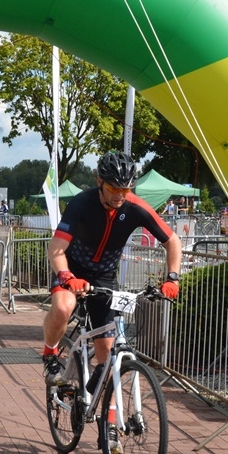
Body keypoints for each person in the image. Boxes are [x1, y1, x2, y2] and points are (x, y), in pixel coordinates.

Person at [43, 151, 182, 390]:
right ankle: (50, 354)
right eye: (113, 188)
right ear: (99, 181)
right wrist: (66, 275)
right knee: (64, 307)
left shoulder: (136, 207)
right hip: (72, 269)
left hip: (105, 276)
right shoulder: (81, 203)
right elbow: (56, 248)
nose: (119, 195)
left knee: (108, 351)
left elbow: (173, 241)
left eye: (125, 189)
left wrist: (172, 278)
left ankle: (103, 407)